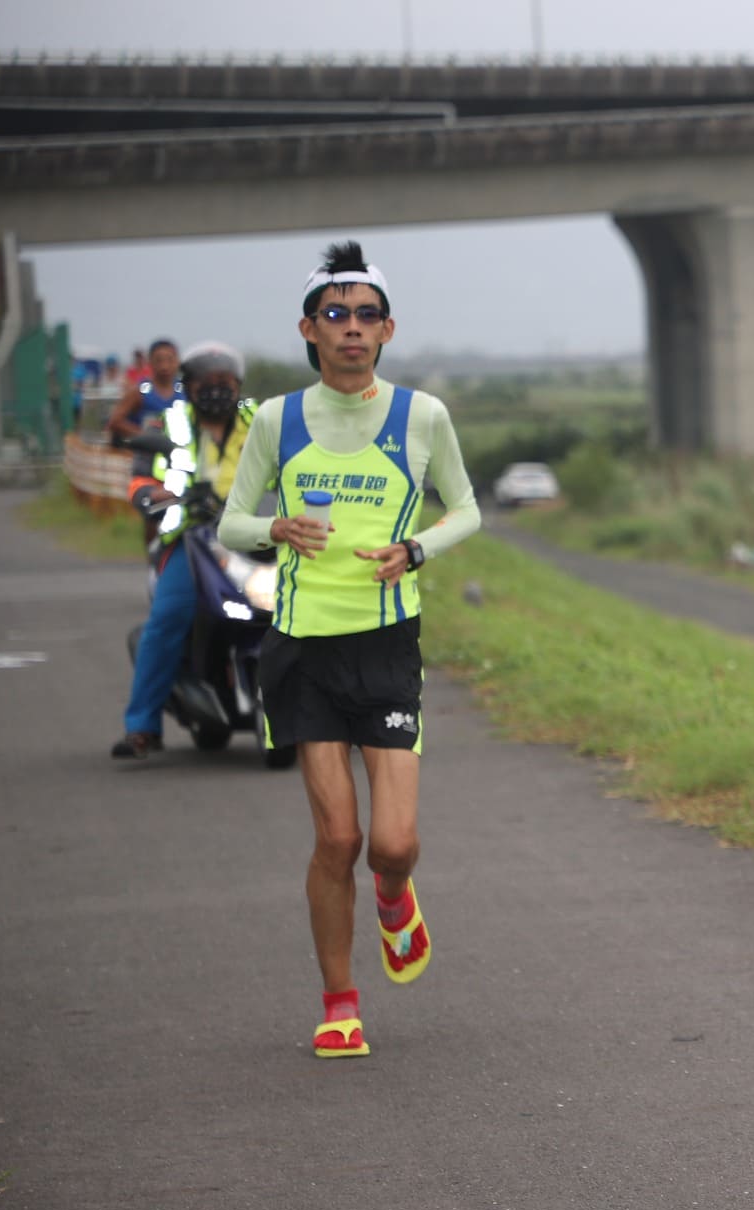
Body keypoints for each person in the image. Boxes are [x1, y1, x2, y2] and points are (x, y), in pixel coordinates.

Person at [217, 241, 481, 1059]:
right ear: (310, 328)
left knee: (390, 842)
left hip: (386, 643)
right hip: (301, 646)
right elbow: (230, 521)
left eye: (368, 316)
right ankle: (340, 1002)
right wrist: (276, 528)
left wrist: (419, 549)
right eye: (337, 315)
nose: (353, 329)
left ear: (388, 329)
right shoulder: (276, 419)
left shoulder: (421, 416)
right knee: (337, 838)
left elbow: (466, 509)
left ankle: (395, 898)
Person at [110, 342, 258, 759]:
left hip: (257, 538)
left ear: (239, 386)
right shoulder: (170, 425)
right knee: (168, 619)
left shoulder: (259, 421)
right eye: (207, 383)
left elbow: (295, 465)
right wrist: (153, 498)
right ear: (188, 387)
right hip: (193, 541)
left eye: (226, 382)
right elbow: (142, 480)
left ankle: (337, 717)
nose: (217, 390)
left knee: (317, 610)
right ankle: (142, 726)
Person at [107, 339, 182, 445]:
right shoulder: (140, 391)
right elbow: (115, 422)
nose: (165, 366)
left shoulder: (185, 391)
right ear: (150, 362)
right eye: (159, 361)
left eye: (170, 360)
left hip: (178, 453)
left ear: (177, 361)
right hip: (145, 454)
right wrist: (144, 437)